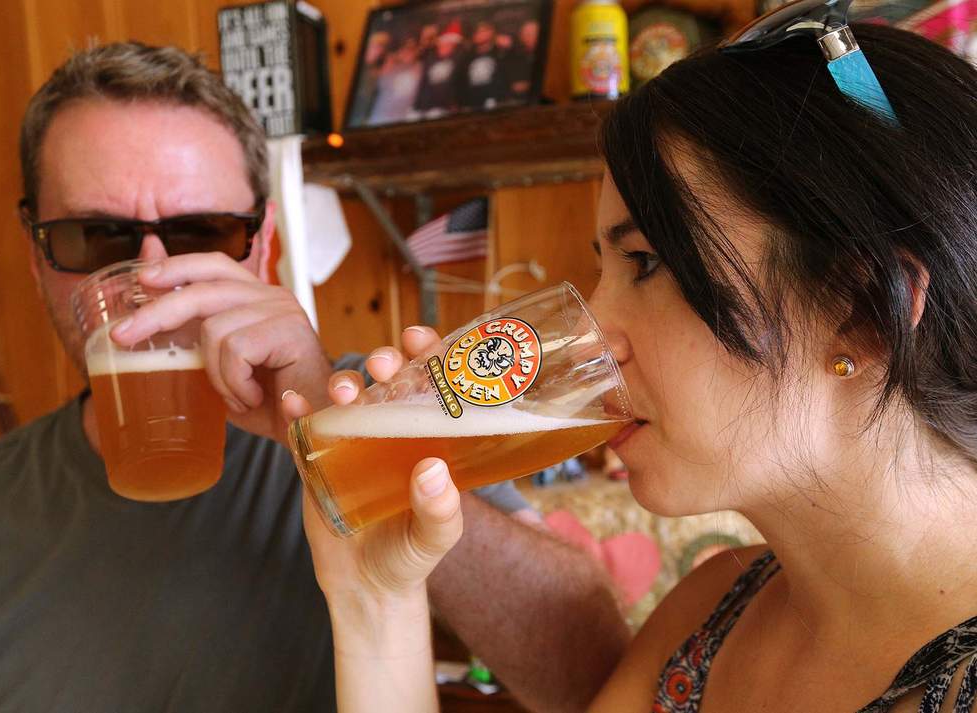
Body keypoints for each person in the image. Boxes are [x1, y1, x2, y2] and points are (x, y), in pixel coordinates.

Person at [289, 18, 977, 713]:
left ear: (859, 312)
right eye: (604, 269)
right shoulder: (710, 616)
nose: (595, 334)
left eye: (646, 262)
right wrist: (375, 600)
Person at [0, 43, 630, 713]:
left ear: (262, 250)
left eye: (203, 231)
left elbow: (594, 674)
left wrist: (339, 430)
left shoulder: (368, 404)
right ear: (37, 257)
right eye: (96, 235)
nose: (151, 282)